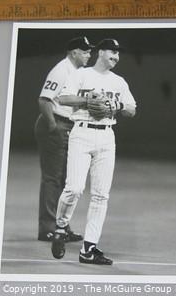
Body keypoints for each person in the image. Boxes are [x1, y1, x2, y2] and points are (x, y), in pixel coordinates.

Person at [51, 38, 136, 264]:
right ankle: (60, 228)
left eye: (119, 53)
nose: (117, 56)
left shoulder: (119, 82)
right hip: (81, 133)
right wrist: (88, 100)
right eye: (113, 52)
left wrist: (117, 106)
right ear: (100, 52)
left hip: (107, 136)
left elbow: (132, 109)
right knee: (74, 188)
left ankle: (88, 250)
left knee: (101, 195)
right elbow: (63, 98)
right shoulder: (81, 74)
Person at [35, 36, 93, 242]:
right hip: (56, 123)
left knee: (66, 180)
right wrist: (52, 126)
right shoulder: (61, 70)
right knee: (52, 178)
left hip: (68, 126)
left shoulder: (77, 72)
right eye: (85, 51)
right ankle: (48, 228)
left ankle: (61, 226)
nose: (89, 54)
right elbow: (44, 100)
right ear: (73, 53)